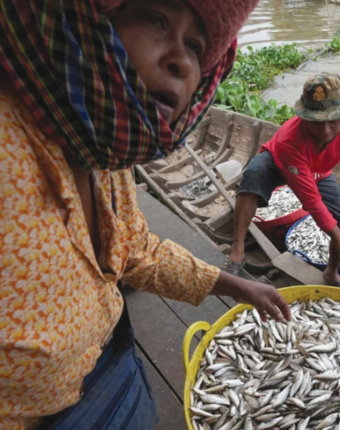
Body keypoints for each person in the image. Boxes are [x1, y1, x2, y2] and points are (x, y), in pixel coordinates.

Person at [0, 0, 291, 428]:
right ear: (90, 22)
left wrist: (236, 286)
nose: (180, 60)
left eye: (195, 45)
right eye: (157, 19)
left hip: (111, 368)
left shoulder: (105, 154)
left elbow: (133, 249)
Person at [226, 72, 340, 286]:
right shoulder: (288, 139)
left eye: (332, 121)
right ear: (305, 116)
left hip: (317, 172)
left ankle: (330, 272)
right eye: (316, 122)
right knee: (253, 176)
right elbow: (311, 200)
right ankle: (237, 251)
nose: (325, 130)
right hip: (277, 161)